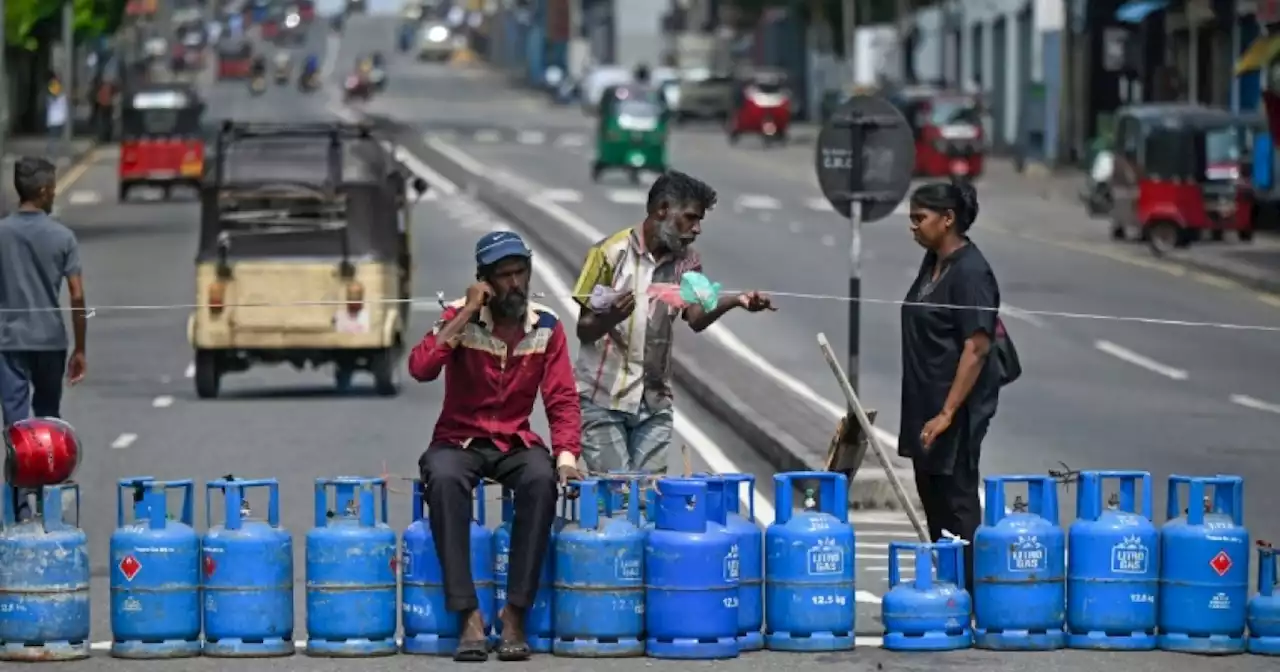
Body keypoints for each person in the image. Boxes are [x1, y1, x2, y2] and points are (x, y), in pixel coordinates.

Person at [408, 231, 582, 662]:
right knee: (444, 480)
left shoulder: (547, 327)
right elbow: (421, 368)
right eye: (503, 276)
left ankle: (514, 614)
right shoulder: (458, 319)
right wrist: (466, 310)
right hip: (459, 439)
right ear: (483, 281)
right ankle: (467, 614)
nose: (514, 284)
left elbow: (561, 398)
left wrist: (567, 457)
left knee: (541, 480)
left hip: (513, 440)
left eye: (520, 272)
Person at [571, 171, 775, 475]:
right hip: (602, 399)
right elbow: (583, 328)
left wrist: (736, 300)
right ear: (663, 209)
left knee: (649, 498)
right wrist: (612, 316)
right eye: (691, 218)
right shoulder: (608, 253)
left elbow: (695, 317)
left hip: (653, 401)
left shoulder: (687, 263)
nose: (697, 229)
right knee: (616, 497)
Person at [898, 180, 1001, 599]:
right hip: (923, 404)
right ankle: (951, 590)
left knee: (957, 505)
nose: (914, 227)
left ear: (948, 219)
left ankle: (974, 597)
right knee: (934, 501)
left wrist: (947, 413)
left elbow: (976, 347)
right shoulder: (932, 262)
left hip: (953, 413)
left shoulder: (972, 272)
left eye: (920, 219)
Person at [0, 157, 88, 429]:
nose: (54, 194)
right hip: (50, 340)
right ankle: (49, 469)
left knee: (15, 421)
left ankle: (18, 470)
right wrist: (81, 349)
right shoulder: (63, 237)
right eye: (52, 188)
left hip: (8, 340)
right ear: (41, 192)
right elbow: (76, 294)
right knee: (48, 416)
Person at [46, 74, 68, 158]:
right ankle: (52, 153)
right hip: (55, 119)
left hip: (57, 119)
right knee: (53, 138)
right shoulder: (54, 94)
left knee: (54, 137)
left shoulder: (60, 95)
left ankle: (52, 152)